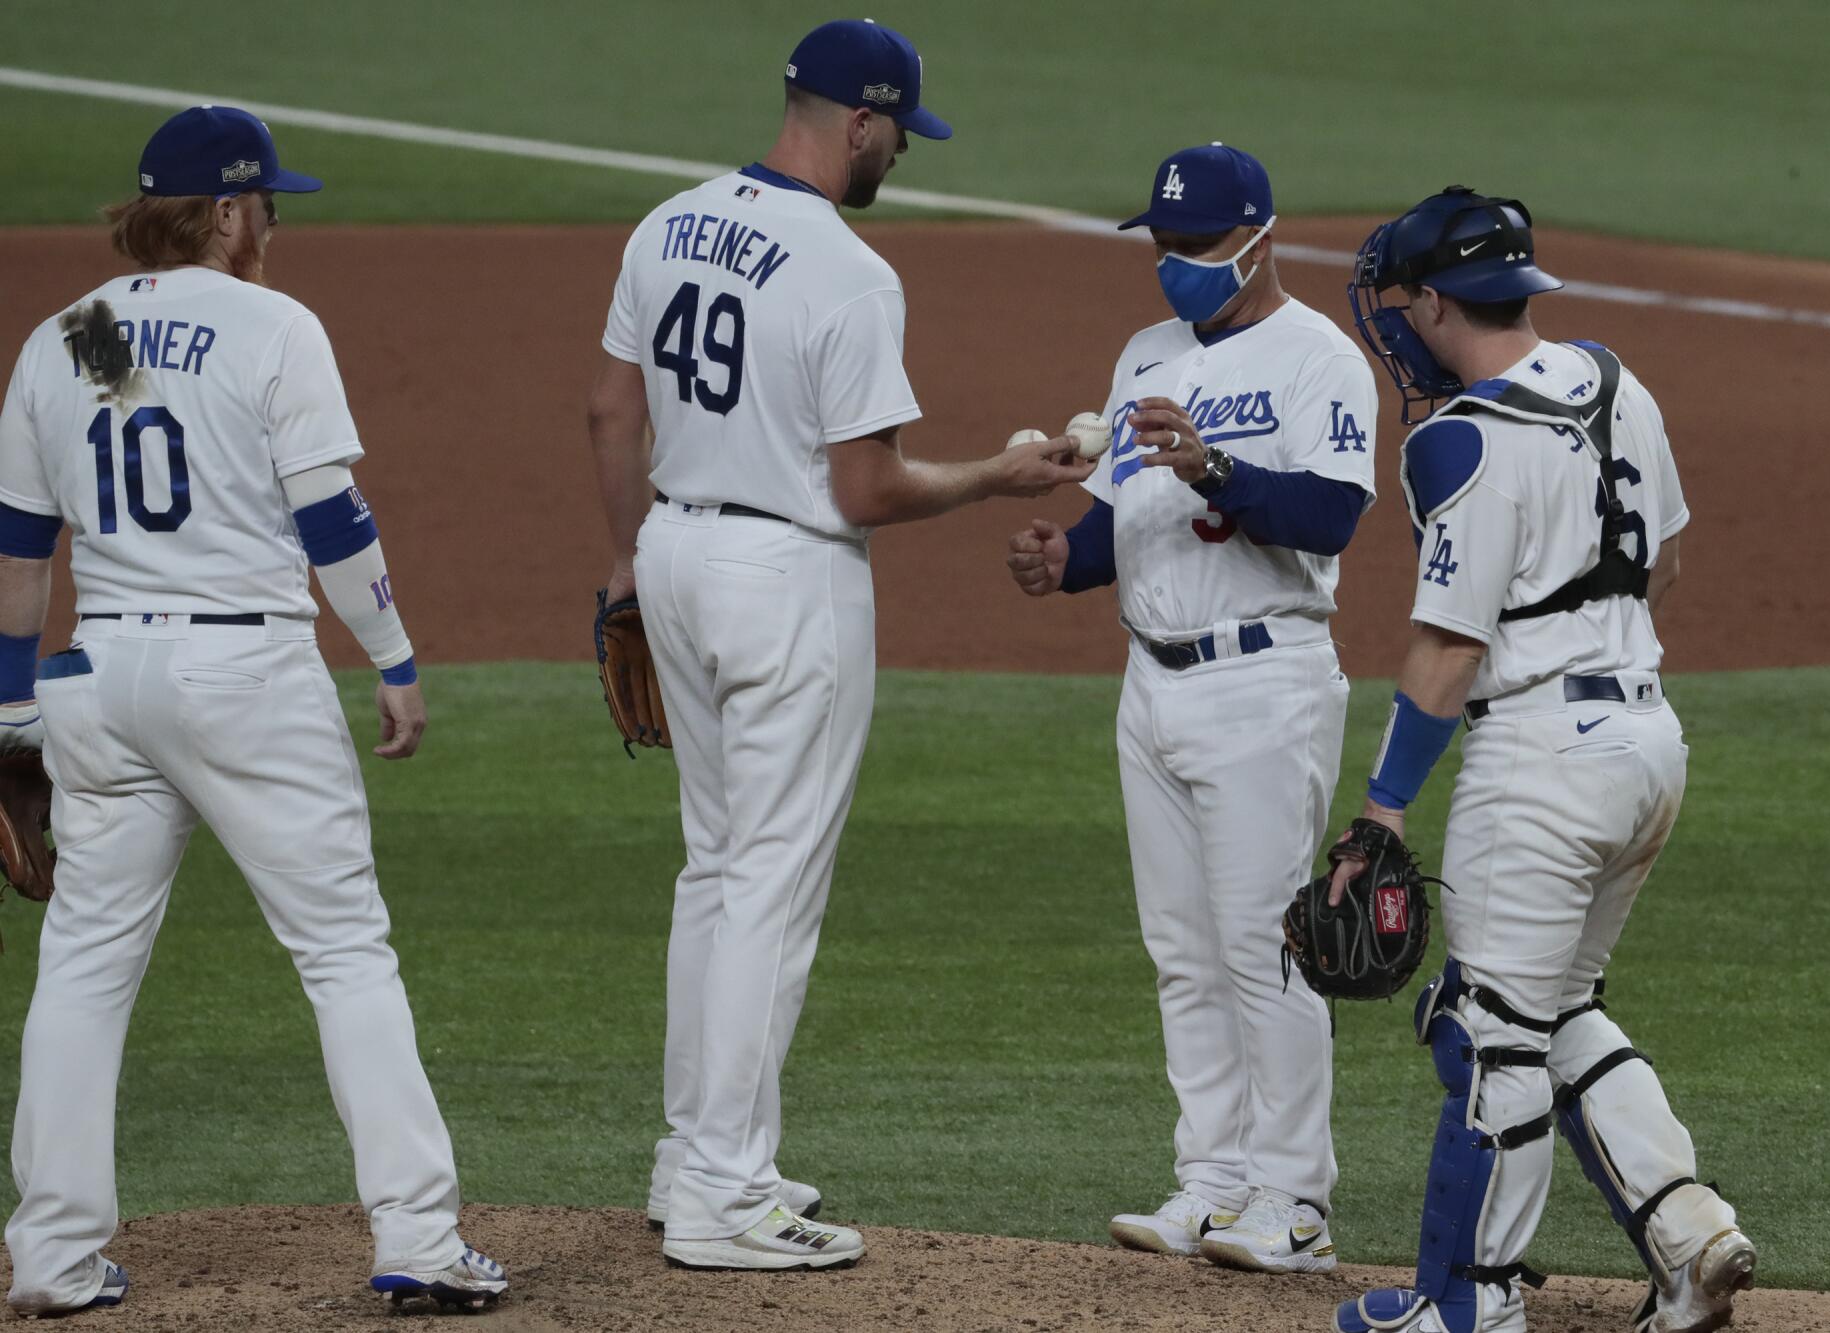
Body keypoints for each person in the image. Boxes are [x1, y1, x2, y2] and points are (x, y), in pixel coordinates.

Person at [587, 19, 1092, 1272]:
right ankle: (723, 1192)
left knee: (712, 869)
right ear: (859, 122)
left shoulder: (667, 222)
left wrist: (624, 567)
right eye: (897, 136)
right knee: (769, 880)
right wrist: (994, 473)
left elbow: (609, 406)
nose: (898, 159)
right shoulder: (849, 269)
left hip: (672, 550)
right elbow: (864, 489)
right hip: (783, 580)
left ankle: (693, 1154)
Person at [0, 106, 506, 1316]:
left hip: (97, 678)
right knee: (341, 951)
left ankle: (56, 1254)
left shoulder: (70, 339)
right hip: (244, 679)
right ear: (224, 210)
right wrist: (391, 653)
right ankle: (419, 1238)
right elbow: (330, 513)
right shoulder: (276, 325)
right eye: (267, 202)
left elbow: (22, 550)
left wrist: (12, 713)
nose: (275, 220)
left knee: (80, 966)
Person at [1326, 186, 1755, 1333]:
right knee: (1562, 1005)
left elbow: (1446, 646)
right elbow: (1662, 560)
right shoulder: (1619, 380)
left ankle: (1463, 1308)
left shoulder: (1454, 442)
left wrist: (1380, 811)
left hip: (1542, 763)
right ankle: (1688, 1235)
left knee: (1486, 1031)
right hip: (1648, 744)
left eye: (1401, 301)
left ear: (1427, 303)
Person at [1005, 143, 1378, 1275]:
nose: (1172, 266)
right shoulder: (1144, 355)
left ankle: (1293, 1202)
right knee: (1180, 948)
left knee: (1267, 947)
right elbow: (1122, 517)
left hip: (1262, 680)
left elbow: (1331, 516)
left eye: (1194, 247)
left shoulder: (1321, 359)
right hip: (1150, 682)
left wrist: (1216, 468)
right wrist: (1056, 557)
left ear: (1257, 241)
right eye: (1160, 244)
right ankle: (1212, 1182)